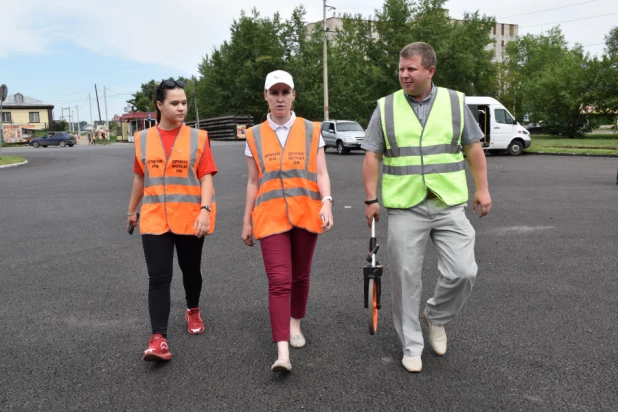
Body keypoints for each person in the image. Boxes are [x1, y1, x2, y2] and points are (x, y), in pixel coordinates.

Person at [362, 42, 492, 373]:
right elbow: (372, 155)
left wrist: (483, 189)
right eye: (401, 69)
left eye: (411, 69)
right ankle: (411, 344)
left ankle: (435, 316)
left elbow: (473, 148)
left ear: (429, 71)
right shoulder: (386, 108)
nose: (404, 74)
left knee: (464, 271)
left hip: (449, 203)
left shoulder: (455, 102)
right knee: (405, 278)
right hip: (406, 206)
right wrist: (370, 198)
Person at [241, 70, 333, 373]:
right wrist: (246, 220)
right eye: (274, 92)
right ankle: (282, 352)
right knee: (279, 281)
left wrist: (328, 203)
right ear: (265, 96)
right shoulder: (253, 134)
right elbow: (253, 182)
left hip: (306, 212)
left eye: (285, 92)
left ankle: (295, 324)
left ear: (293, 95)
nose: (280, 98)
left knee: (300, 276)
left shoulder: (311, 129)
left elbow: (321, 172)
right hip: (269, 217)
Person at [126, 79, 217, 362]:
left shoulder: (198, 138)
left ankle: (192, 309)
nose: (181, 108)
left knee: (191, 271)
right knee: (158, 278)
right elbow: (140, 178)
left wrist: (205, 209)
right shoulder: (142, 139)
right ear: (159, 105)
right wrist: (132, 210)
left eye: (184, 102)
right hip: (154, 219)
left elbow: (206, 177)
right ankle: (158, 339)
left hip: (190, 217)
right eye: (175, 103)